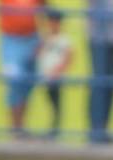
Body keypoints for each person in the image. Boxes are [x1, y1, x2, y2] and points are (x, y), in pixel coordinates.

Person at [0, 0, 44, 138]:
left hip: (31, 37)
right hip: (11, 39)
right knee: (15, 82)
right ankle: (16, 127)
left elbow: (45, 8)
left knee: (27, 83)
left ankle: (21, 127)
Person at [86, 0, 113, 145]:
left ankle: (103, 128)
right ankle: (95, 130)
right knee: (99, 83)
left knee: (111, 84)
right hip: (98, 36)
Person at [38, 8, 74, 140]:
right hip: (46, 76)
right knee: (49, 102)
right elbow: (38, 53)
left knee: (56, 104)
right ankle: (51, 128)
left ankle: (54, 129)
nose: (52, 25)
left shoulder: (64, 40)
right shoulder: (45, 38)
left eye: (55, 22)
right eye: (50, 22)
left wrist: (58, 71)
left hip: (56, 78)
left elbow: (69, 57)